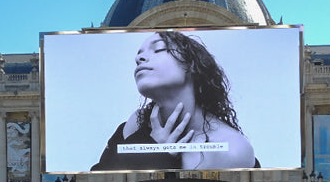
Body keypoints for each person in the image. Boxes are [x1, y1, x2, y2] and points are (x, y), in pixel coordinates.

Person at [92, 31, 256, 171]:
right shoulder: (136, 123)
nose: (139, 58)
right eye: (139, 53)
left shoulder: (231, 149)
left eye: (159, 49)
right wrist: (149, 147)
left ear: (191, 65)